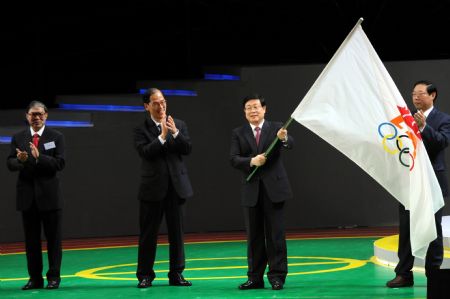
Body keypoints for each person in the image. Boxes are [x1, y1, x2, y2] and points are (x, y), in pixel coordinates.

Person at [386, 80, 450, 288]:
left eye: (421, 93)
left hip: (432, 182)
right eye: (414, 94)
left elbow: (441, 142)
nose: (416, 97)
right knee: (405, 229)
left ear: (433, 95)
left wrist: (424, 127)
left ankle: (434, 274)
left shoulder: (443, 119)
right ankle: (404, 274)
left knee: (433, 230)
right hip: (410, 181)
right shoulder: (404, 118)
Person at [230, 94, 294, 291]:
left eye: (256, 107)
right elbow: (233, 159)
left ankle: (277, 277)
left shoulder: (276, 128)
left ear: (264, 109)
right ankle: (254, 278)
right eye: (249, 108)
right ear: (244, 112)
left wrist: (284, 139)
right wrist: (251, 161)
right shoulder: (238, 133)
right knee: (254, 237)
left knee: (275, 236)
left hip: (274, 189)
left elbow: (290, 143)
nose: (253, 111)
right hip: (251, 191)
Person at [134, 88, 193, 288]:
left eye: (163, 102)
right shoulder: (140, 129)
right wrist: (161, 137)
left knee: (177, 234)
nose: (161, 106)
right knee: (148, 234)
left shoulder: (180, 124)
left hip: (177, 188)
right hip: (152, 189)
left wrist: (174, 132)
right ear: (146, 106)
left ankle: (176, 274)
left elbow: (187, 149)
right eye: (156, 103)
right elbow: (145, 152)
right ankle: (145, 275)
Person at [6, 101, 66, 290]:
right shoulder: (18, 137)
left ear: (46, 115)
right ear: (27, 116)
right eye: (33, 114)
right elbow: (10, 163)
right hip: (27, 197)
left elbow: (59, 164)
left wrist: (39, 157)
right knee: (31, 241)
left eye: (40, 114)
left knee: (53, 240)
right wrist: (20, 161)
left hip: (50, 197)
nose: (37, 117)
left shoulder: (56, 137)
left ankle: (54, 277)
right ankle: (35, 278)